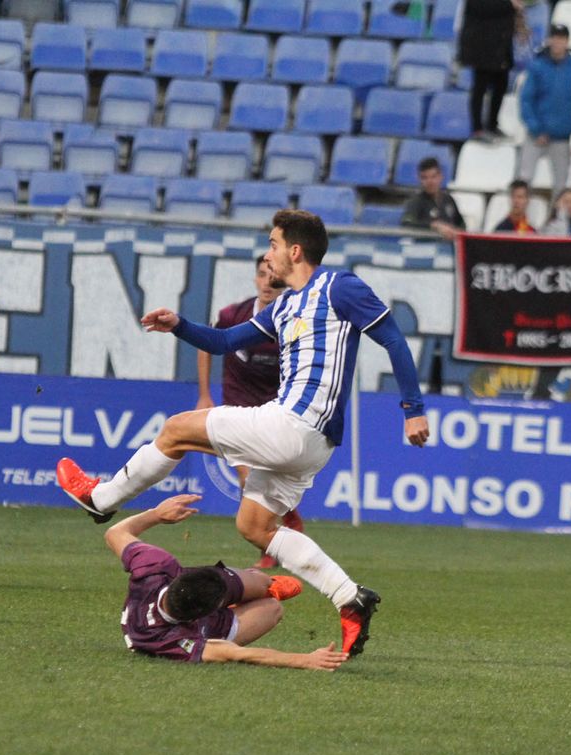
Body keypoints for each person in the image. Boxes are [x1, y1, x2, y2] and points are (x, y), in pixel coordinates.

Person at [60, 210, 430, 657]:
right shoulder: (285, 306)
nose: (268, 254)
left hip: (294, 424)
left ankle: (101, 499)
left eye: (273, 245)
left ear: (295, 250)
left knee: (177, 429)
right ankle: (350, 598)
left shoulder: (338, 286)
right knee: (253, 526)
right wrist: (179, 326)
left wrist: (412, 409)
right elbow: (224, 341)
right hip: (310, 446)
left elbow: (393, 338)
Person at [100, 493, 346, 671]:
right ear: (210, 610)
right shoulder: (175, 640)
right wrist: (306, 659)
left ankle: (262, 583)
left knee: (261, 582)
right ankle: (254, 594)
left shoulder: (156, 567)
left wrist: (156, 515)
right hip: (207, 627)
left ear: (181, 575)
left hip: (191, 597)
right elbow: (242, 655)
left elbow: (114, 533)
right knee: (272, 608)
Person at [195, 253, 303, 569]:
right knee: (248, 478)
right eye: (261, 275)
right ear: (255, 278)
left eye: (273, 276)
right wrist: (204, 394)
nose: (267, 282)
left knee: (267, 479)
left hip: (276, 406)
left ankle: (285, 526)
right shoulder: (233, 315)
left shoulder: (294, 320)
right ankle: (275, 541)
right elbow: (207, 342)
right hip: (239, 401)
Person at [518, 23, 571, 195]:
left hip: (562, 137)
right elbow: (526, 100)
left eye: (561, 39)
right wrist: (536, 128)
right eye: (554, 38)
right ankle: (521, 221)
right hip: (536, 136)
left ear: (567, 42)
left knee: (561, 184)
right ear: (549, 40)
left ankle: (556, 219)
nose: (557, 43)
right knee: (524, 179)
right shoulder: (537, 67)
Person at [459, 0, 523, 139]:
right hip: (482, 45)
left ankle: (492, 125)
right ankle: (477, 129)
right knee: (480, 86)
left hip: (501, 44)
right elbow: (479, 6)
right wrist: (508, 5)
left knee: (501, 85)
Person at [400, 157, 466, 236]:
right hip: (423, 246)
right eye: (424, 178)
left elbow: (461, 224)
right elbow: (407, 223)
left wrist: (455, 231)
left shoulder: (449, 200)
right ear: (419, 179)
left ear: (440, 176)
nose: (430, 182)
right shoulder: (416, 201)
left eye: (433, 177)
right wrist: (433, 225)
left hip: (447, 246)